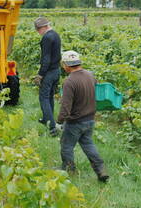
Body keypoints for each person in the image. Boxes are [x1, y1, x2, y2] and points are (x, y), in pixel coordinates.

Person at [57, 50, 109, 182]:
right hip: (90, 119)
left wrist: (59, 121)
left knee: (67, 146)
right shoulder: (90, 75)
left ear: (66, 65)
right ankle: (101, 170)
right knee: (88, 145)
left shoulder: (69, 82)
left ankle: (69, 172)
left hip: (75, 122)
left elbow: (65, 107)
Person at [33, 17, 61, 137]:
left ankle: (52, 127)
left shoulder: (47, 38)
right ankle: (47, 119)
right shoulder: (55, 34)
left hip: (49, 72)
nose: (38, 31)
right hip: (56, 70)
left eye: (38, 29)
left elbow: (46, 59)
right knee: (49, 96)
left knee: (43, 97)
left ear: (44, 27)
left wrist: (40, 75)